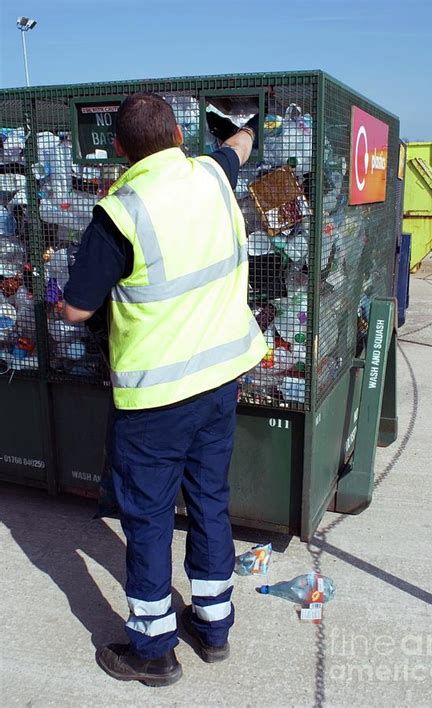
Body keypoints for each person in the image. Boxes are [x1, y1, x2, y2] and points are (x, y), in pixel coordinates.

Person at [62, 93, 267, 687]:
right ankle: (213, 625)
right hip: (220, 380)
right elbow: (237, 148)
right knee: (209, 499)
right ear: (179, 132)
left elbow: (76, 307)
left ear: (120, 148)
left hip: (156, 397)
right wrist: (245, 125)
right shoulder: (211, 173)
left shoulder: (120, 211)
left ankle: (153, 649)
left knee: (148, 517)